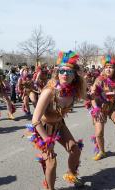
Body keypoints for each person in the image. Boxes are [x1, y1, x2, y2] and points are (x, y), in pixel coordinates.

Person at [25, 50, 86, 190]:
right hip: (42, 128)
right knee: (51, 161)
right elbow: (35, 120)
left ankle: (71, 175)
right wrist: (48, 140)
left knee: (75, 150)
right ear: (57, 73)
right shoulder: (49, 91)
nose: (65, 74)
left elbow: (90, 96)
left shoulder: (73, 91)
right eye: (62, 71)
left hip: (59, 125)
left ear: (74, 75)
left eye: (69, 72)